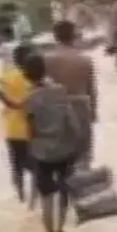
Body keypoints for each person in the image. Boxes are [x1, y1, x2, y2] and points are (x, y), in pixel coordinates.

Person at [12, 53, 89, 232]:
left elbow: (30, 130)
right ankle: (60, 230)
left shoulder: (29, 100)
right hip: (65, 149)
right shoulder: (60, 92)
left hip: (42, 153)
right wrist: (79, 142)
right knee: (64, 191)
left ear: (26, 75)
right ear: (45, 70)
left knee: (46, 195)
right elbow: (72, 122)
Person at [43, 20, 98, 167]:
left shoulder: (47, 59)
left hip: (55, 109)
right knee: (83, 156)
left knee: (57, 157)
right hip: (80, 108)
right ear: (74, 36)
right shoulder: (85, 60)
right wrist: (93, 112)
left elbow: (40, 88)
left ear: (55, 36)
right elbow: (91, 89)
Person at [0, 42, 37, 206]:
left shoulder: (5, 78)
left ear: (14, 59)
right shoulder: (34, 78)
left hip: (12, 129)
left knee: (17, 167)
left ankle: (20, 197)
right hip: (32, 130)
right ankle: (33, 201)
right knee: (36, 168)